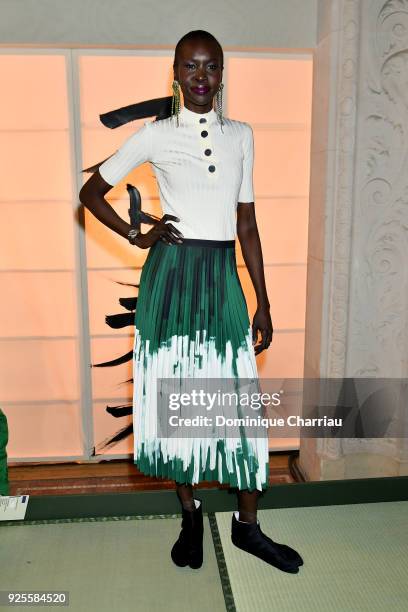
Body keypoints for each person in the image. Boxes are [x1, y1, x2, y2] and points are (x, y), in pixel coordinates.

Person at [79, 29, 303, 573]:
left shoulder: (242, 135)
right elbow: (90, 194)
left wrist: (264, 301)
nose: (201, 76)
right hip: (171, 282)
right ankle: (189, 513)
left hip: (222, 279)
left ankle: (248, 527)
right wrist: (137, 235)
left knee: (240, 407)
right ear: (175, 74)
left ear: (221, 75)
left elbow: (247, 223)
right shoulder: (156, 136)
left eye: (211, 66)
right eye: (190, 66)